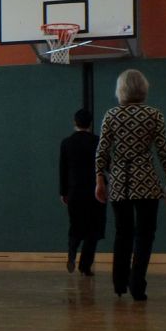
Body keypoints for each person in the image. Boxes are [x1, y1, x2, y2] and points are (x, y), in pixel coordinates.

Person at [95, 69, 166, 301]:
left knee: (123, 233)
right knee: (145, 234)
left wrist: (99, 179)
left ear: (121, 90)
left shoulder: (111, 115)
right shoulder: (154, 115)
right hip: (147, 181)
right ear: (144, 88)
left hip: (120, 180)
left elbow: (102, 150)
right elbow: (163, 150)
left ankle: (119, 283)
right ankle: (137, 284)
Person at [59, 109, 106, 276]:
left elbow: (63, 169)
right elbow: (105, 165)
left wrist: (63, 192)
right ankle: (85, 266)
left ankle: (72, 253)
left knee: (75, 225)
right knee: (93, 230)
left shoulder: (66, 143)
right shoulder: (98, 142)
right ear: (90, 124)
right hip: (95, 191)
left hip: (74, 190)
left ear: (75, 122)